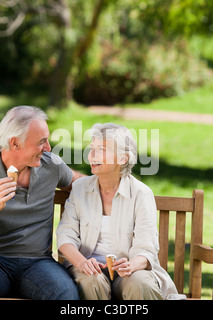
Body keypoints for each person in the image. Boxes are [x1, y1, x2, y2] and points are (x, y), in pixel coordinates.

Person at [0, 106, 82, 300]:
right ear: (15, 143)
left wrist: (122, 184)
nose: (48, 148)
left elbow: (83, 185)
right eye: (41, 142)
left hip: (38, 265)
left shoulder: (51, 165)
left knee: (65, 291)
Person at [56, 123, 177, 300]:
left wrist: (131, 265)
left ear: (122, 158)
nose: (92, 154)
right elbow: (65, 236)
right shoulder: (80, 188)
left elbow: (147, 249)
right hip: (87, 267)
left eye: (101, 149)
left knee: (141, 284)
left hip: (129, 271)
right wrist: (82, 262)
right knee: (91, 281)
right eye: (92, 148)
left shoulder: (141, 194)